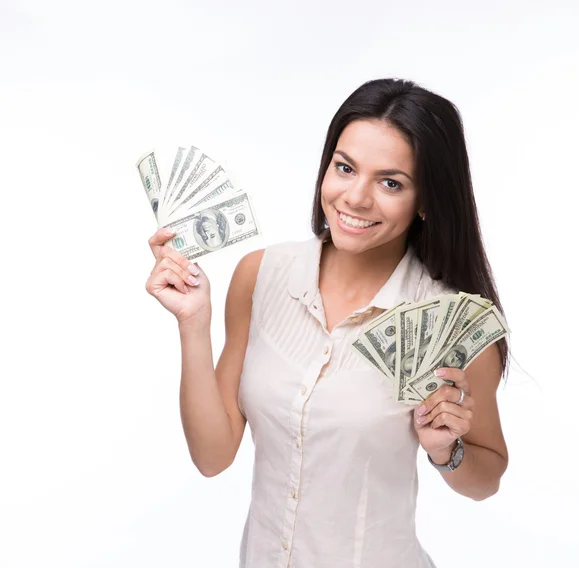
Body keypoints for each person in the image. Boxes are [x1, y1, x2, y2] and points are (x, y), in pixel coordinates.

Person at [145, 78, 509, 568]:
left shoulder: (449, 322)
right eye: (345, 168)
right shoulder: (260, 275)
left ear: (425, 201)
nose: (355, 198)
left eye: (390, 182)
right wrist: (193, 323)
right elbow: (213, 457)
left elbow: (488, 477)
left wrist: (448, 451)